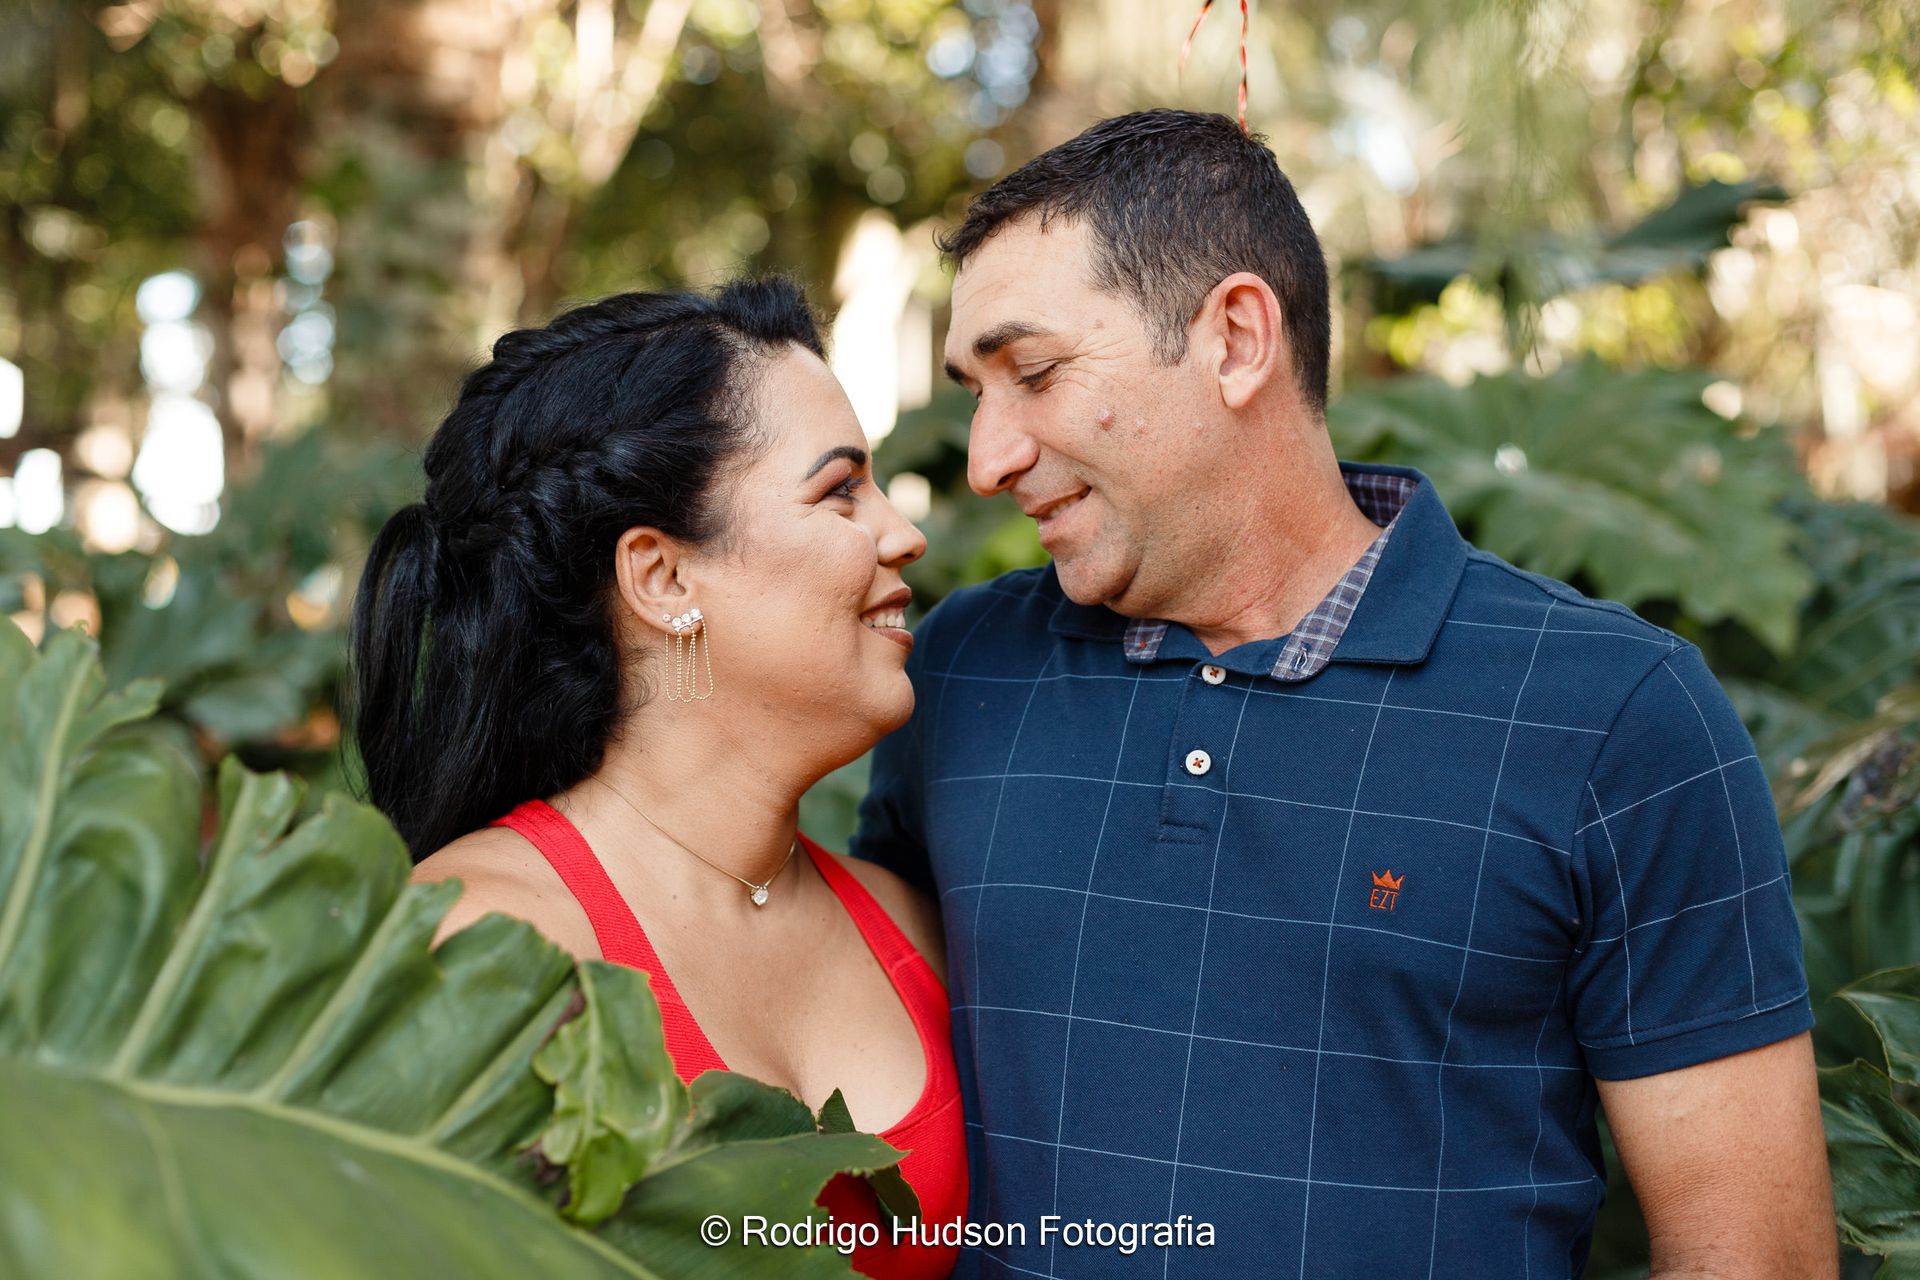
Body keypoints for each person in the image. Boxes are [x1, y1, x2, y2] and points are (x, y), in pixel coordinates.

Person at [852, 111, 1835, 1279]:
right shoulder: (960, 668)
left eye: (1036, 372)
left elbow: (1754, 1255)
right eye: (975, 389)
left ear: (1235, 338)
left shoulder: (1617, 714)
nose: (986, 456)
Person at [350, 279, 964, 1280]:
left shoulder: (915, 922)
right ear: (663, 578)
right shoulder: (479, 944)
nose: (902, 532)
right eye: (841, 488)